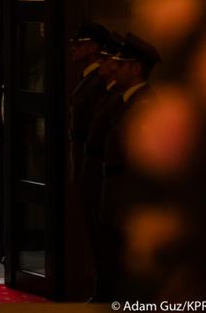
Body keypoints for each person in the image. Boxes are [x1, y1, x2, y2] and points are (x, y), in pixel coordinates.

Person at [100, 32, 161, 301]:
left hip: (127, 193)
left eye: (121, 64)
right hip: (117, 189)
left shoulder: (144, 103)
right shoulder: (126, 98)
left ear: (136, 69)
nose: (114, 67)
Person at [81, 31, 123, 301]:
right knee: (99, 236)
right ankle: (102, 290)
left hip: (108, 175)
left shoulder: (121, 97)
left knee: (108, 240)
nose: (106, 64)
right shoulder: (105, 89)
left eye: (112, 60)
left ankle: (108, 293)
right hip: (96, 169)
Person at [69, 21, 109, 186]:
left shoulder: (98, 80)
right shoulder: (90, 78)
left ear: (93, 47)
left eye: (79, 44)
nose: (73, 48)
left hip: (90, 157)